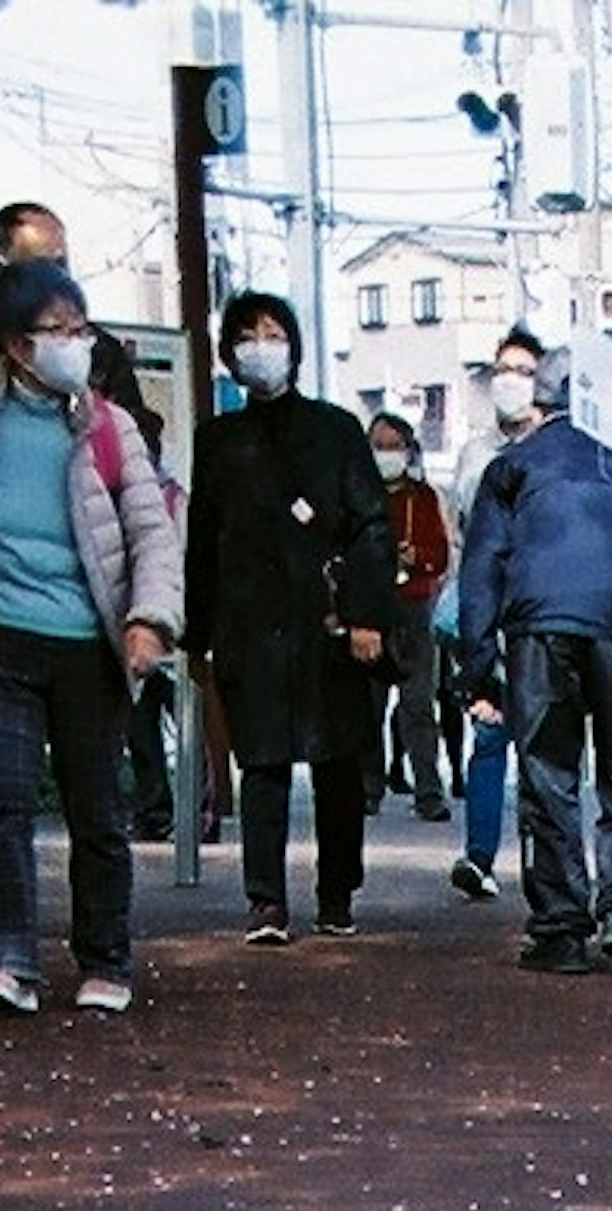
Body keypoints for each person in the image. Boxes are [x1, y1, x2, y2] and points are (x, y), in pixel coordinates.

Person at [0, 252, 179, 1018]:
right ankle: (9, 959)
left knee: (97, 810)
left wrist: (149, 622)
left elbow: (152, 533)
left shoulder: (111, 426)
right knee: (2, 802)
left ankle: (106, 958)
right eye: (57, 331)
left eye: (80, 330)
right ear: (16, 346)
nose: (74, 345)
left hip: (89, 648)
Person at [457, 351, 612, 971]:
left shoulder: (513, 466)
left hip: (539, 625)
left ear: (542, 401)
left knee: (549, 774)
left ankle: (560, 927)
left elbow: (481, 571)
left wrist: (477, 666)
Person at [182, 290, 392, 941]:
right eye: (248, 336)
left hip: (327, 624)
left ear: (296, 348)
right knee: (262, 765)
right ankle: (265, 900)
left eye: (274, 334)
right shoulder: (217, 441)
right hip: (249, 625)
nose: (261, 347)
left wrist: (366, 616)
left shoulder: (335, 430)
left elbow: (371, 529)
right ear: (229, 355)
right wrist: (197, 632)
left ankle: (336, 893)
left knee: (337, 765)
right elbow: (202, 539)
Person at [448, 339, 551, 900]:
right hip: (489, 614)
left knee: (545, 749)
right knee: (488, 736)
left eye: (524, 371)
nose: (510, 380)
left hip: (541, 615)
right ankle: (479, 855)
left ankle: (545, 862)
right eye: (503, 370)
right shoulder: (474, 453)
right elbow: (464, 534)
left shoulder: (555, 448)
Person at [367, 414, 456, 815]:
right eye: (378, 446)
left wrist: (414, 558)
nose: (385, 454)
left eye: (392, 446)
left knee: (418, 703)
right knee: (368, 704)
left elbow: (439, 555)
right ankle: (368, 787)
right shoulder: (359, 493)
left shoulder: (423, 498)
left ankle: (428, 791)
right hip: (371, 608)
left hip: (414, 606)